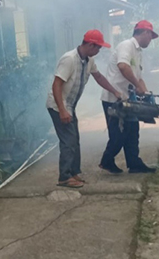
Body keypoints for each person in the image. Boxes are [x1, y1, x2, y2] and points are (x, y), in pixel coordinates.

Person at [47, 30, 125, 189]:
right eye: (98, 48)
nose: (99, 51)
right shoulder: (69, 59)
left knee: (75, 140)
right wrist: (62, 110)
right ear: (90, 45)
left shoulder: (89, 61)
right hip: (58, 105)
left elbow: (99, 78)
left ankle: (74, 172)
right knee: (68, 141)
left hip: (70, 105)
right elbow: (56, 84)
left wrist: (114, 91)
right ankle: (64, 177)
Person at [99, 20, 159, 174]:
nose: (151, 40)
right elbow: (123, 66)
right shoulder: (127, 45)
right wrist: (137, 86)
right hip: (114, 98)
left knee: (132, 131)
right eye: (151, 36)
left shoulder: (139, 53)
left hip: (128, 99)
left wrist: (145, 93)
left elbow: (138, 78)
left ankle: (134, 163)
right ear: (145, 32)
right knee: (118, 134)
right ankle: (106, 161)